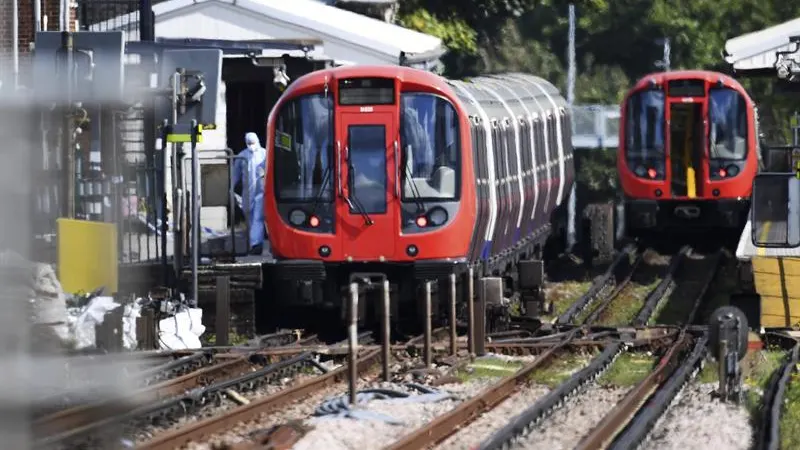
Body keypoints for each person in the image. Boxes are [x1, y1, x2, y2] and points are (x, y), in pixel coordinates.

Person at [232, 132, 267, 255]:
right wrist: (231, 188)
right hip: (247, 193)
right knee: (249, 218)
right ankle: (254, 243)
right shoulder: (242, 156)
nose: (251, 146)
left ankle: (256, 244)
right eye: (249, 143)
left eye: (253, 143)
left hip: (260, 192)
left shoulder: (264, 154)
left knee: (258, 217)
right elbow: (235, 174)